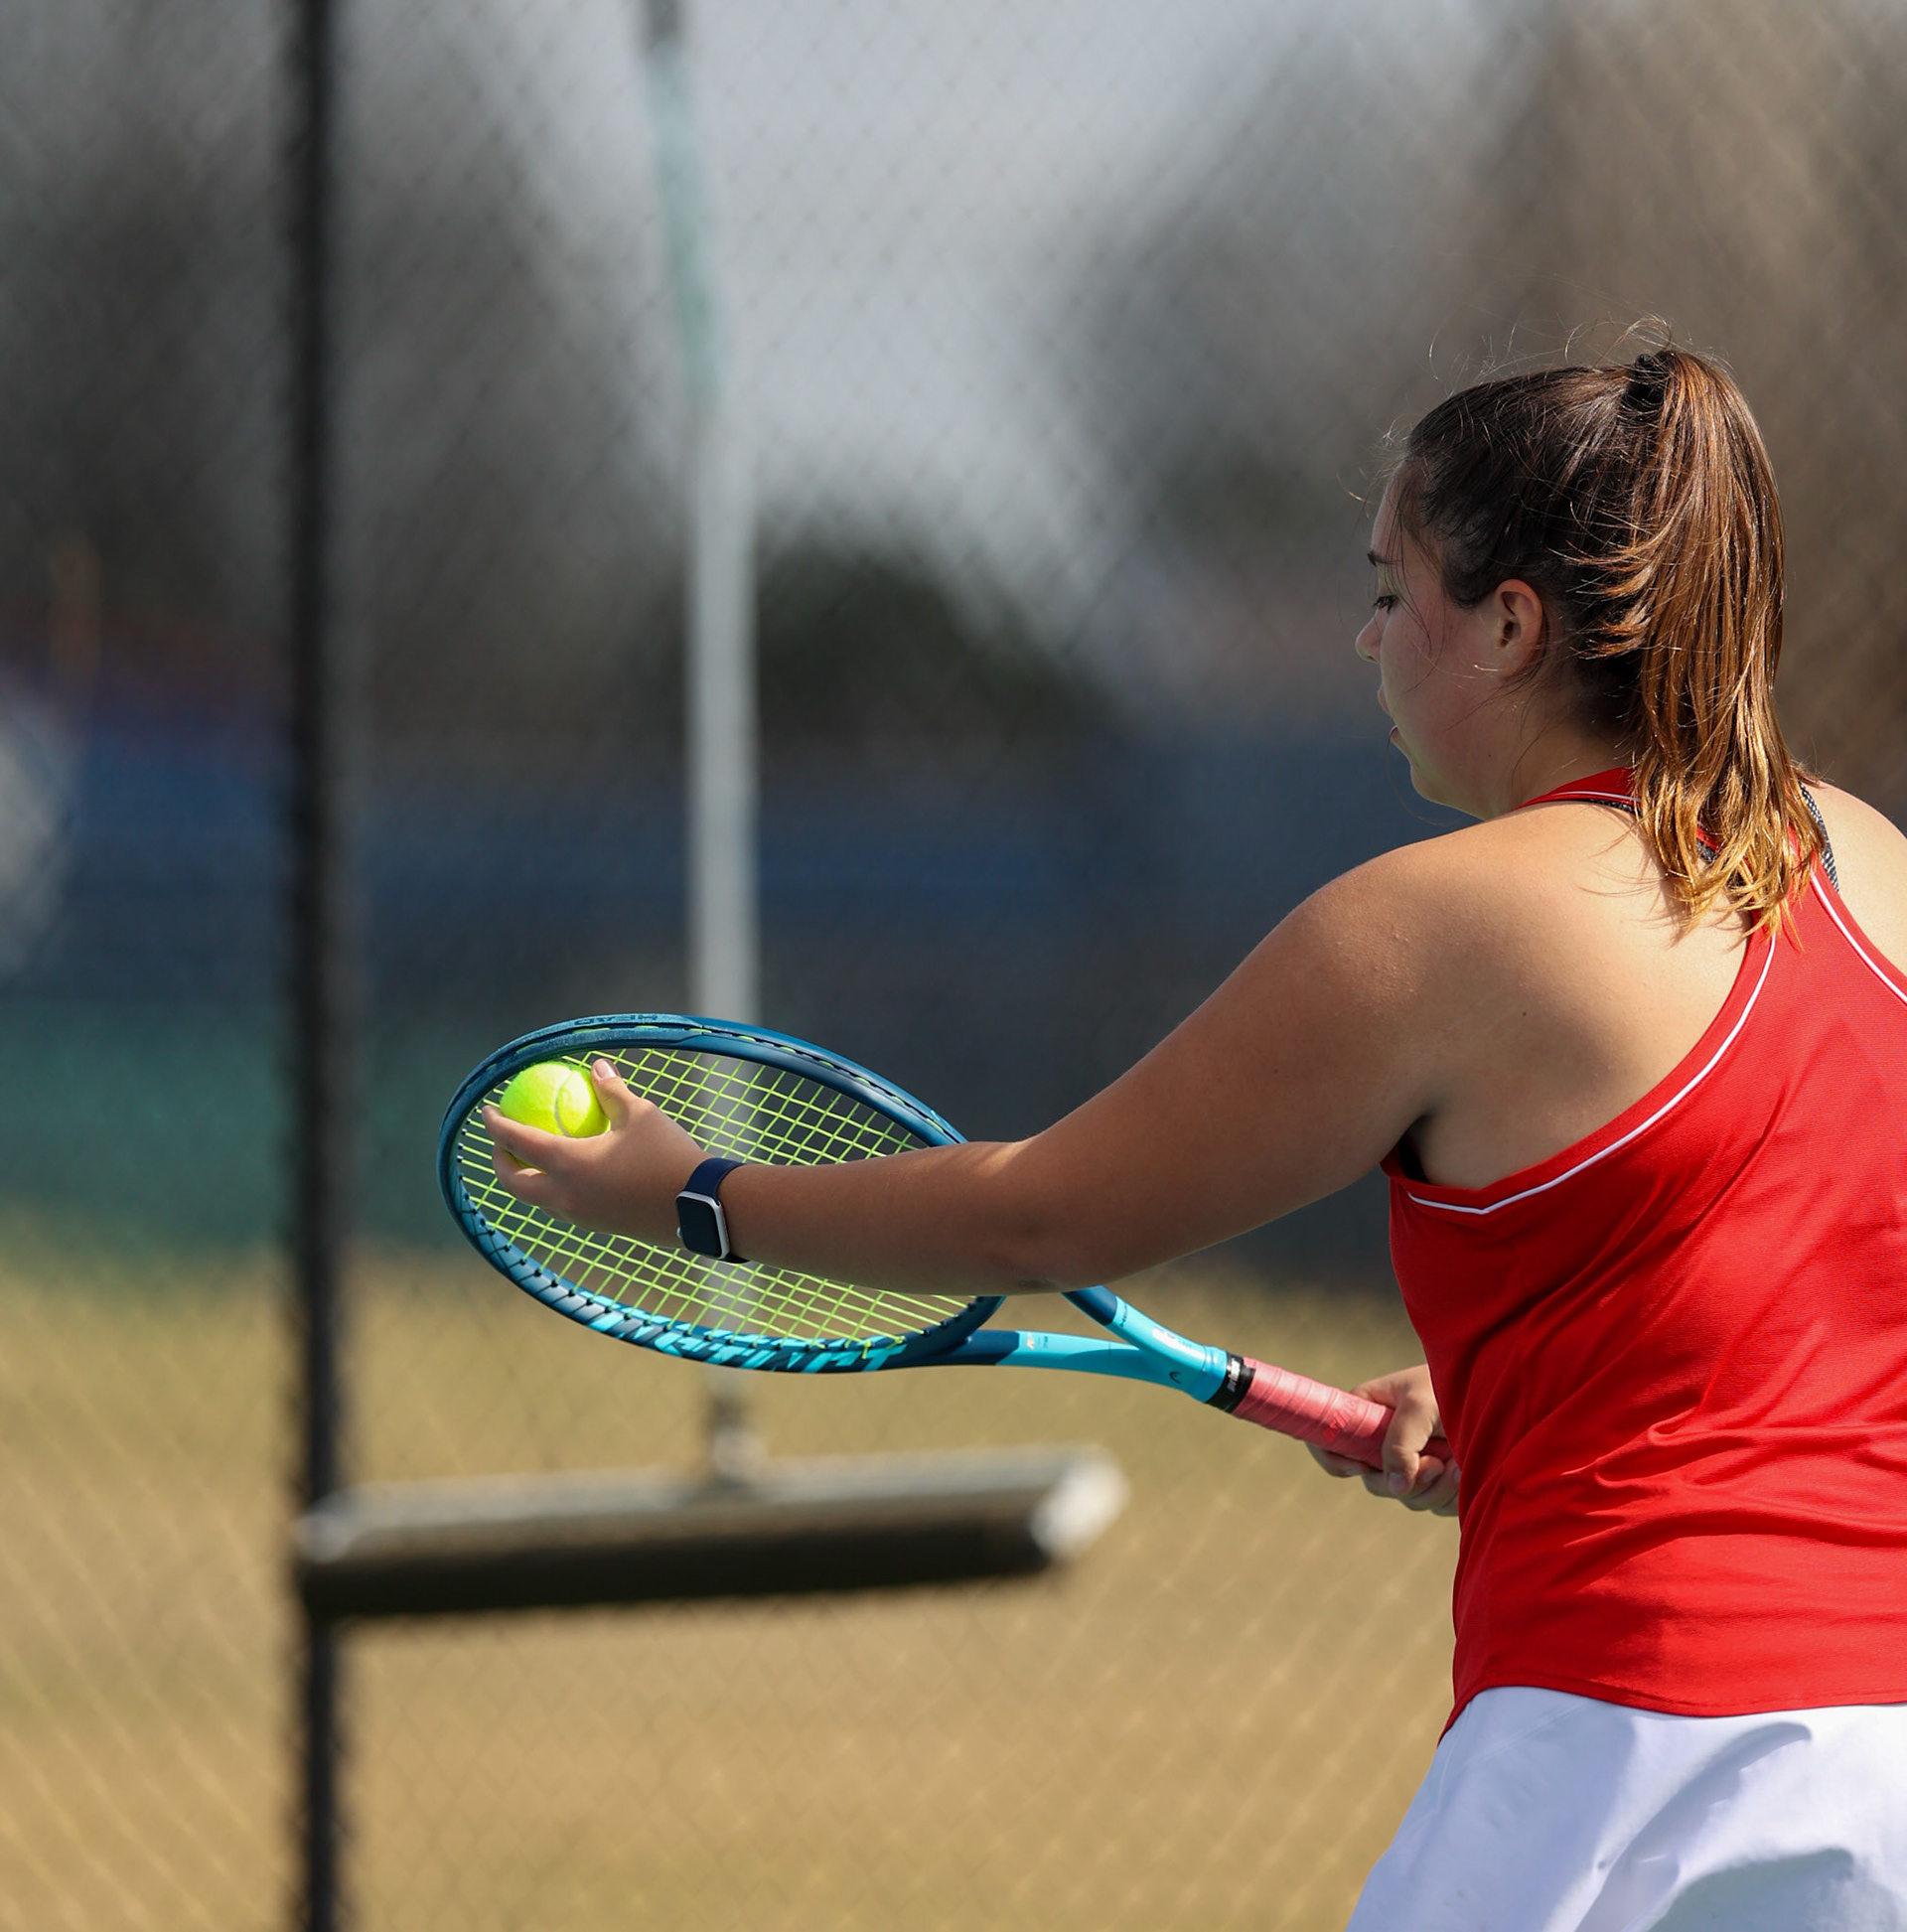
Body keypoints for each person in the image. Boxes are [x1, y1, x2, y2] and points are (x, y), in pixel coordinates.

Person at [487, 344, 1907, 1926]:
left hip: (1626, 1765)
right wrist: (1534, 1387)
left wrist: (693, 1193)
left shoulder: (1436, 927)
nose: (1367, 639)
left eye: (1393, 587)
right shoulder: (1870, 862)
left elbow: (1043, 1219)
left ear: (1510, 624)